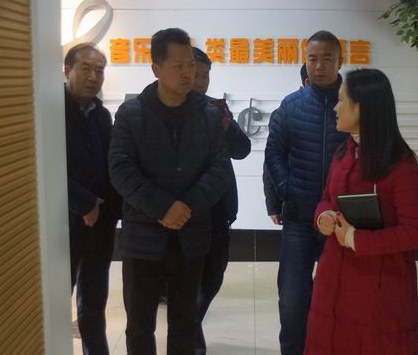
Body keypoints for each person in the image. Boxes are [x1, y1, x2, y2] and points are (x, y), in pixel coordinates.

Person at [109, 28, 230, 355]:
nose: (188, 73)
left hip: (191, 237)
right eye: (178, 66)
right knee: (139, 326)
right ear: (156, 69)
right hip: (142, 238)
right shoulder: (131, 114)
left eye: (190, 65)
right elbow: (120, 170)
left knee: (185, 324)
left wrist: (186, 206)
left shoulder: (208, 113)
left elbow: (219, 169)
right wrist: (163, 207)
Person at [304, 69, 418, 355]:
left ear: (362, 107)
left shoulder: (400, 164)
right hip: (333, 279)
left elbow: (414, 231)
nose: (336, 108)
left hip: (378, 289)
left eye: (341, 101)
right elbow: (326, 199)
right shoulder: (344, 152)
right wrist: (323, 216)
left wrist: (356, 239)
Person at [264, 32, 347, 355]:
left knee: (339, 298)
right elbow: (274, 154)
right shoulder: (291, 106)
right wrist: (288, 190)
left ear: (340, 61)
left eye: (327, 58)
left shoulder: (353, 104)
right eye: (313, 59)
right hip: (300, 219)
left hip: (342, 221)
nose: (319, 66)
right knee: (292, 298)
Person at [191, 47, 252, 355]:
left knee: (213, 277)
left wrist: (227, 128)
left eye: (205, 76)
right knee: (187, 281)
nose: (199, 82)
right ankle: (190, 337)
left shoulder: (216, 108)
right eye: (194, 74)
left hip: (219, 211)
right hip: (185, 214)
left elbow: (242, 150)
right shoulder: (166, 112)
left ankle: (190, 327)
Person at [64, 42, 121, 355]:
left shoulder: (101, 114)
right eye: (85, 69)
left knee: (95, 301)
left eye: (99, 70)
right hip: (63, 223)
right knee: (56, 296)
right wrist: (83, 203)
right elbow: (45, 166)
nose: (93, 77)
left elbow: (111, 165)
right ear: (67, 70)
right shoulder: (50, 111)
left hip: (100, 223)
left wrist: (112, 208)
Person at [263, 63, 309, 225]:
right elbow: (271, 161)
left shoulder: (337, 110)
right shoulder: (284, 113)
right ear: (308, 82)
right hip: (295, 201)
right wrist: (273, 205)